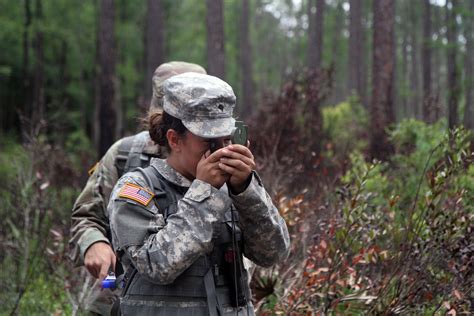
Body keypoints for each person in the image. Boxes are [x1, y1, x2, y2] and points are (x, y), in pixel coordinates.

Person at [107, 72, 290, 315]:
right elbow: (157, 265)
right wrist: (204, 193)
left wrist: (246, 190)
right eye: (209, 141)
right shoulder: (137, 189)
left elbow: (273, 253)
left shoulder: (233, 187)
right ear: (174, 140)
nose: (222, 151)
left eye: (226, 139)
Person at [68, 62, 206, 314]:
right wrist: (94, 242)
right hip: (120, 299)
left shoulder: (220, 159)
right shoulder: (125, 155)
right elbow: (86, 215)